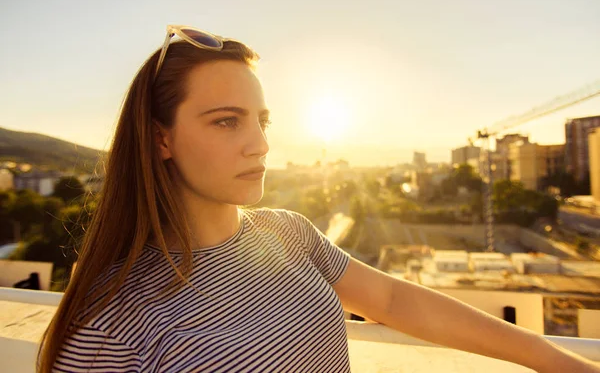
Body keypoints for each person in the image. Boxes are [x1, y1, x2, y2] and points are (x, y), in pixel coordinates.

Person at [37, 25, 599, 372]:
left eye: (262, 120)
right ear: (161, 138)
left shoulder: (286, 233)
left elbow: (399, 303)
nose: (260, 144)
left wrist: (553, 359)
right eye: (226, 122)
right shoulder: (110, 322)